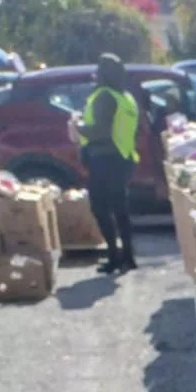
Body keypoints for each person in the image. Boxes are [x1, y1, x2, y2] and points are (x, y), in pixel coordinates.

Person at [74, 54, 139, 276]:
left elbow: (100, 130)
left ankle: (114, 256)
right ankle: (128, 256)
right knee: (120, 209)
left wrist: (78, 126)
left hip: (104, 159)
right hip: (123, 158)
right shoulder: (126, 97)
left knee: (100, 208)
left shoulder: (104, 97)